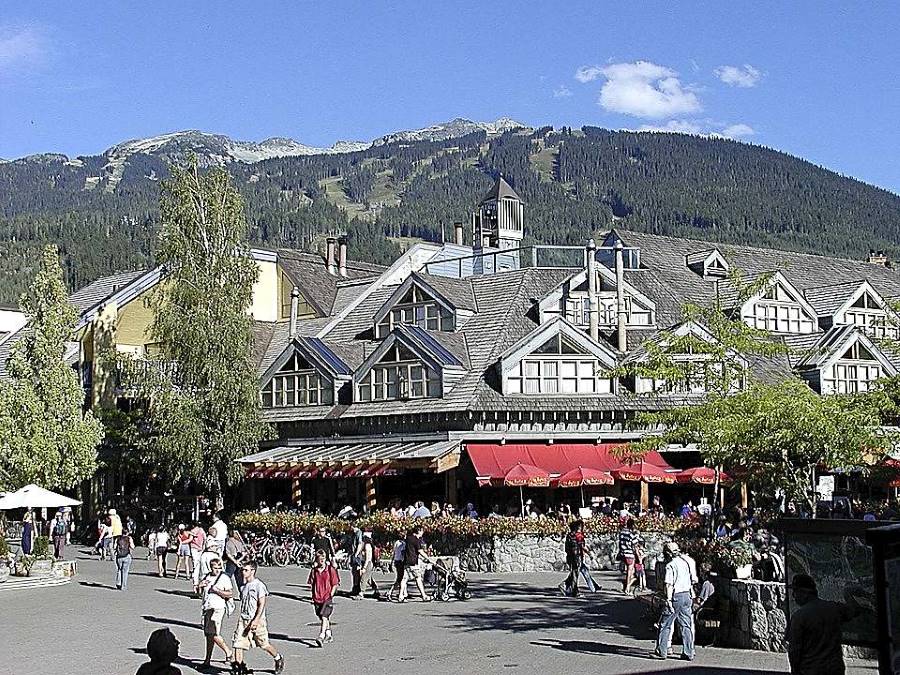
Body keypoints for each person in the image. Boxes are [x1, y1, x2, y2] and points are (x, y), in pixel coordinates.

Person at [787, 573, 860, 675]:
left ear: (805, 593)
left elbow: (795, 650)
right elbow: (854, 610)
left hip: (810, 670)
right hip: (834, 669)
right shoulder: (834, 609)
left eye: (795, 591)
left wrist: (794, 671)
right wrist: (848, 593)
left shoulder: (799, 617)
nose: (793, 595)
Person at [232, 561, 284, 675]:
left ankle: (278, 658)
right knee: (238, 644)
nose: (243, 572)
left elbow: (262, 604)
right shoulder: (244, 586)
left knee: (264, 644)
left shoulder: (258, 585)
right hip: (244, 619)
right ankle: (239, 669)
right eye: (243, 570)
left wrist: (256, 620)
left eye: (246, 570)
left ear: (253, 571)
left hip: (257, 620)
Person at [654, 541, 698, 661]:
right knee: (686, 625)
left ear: (667, 553)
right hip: (687, 595)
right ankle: (689, 652)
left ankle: (661, 650)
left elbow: (669, 584)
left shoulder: (670, 565)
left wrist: (668, 600)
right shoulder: (685, 562)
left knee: (665, 624)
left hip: (676, 596)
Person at [198, 557, 234, 669]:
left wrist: (217, 590)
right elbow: (200, 593)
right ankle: (207, 660)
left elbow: (230, 593)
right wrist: (200, 586)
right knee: (209, 635)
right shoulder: (207, 576)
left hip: (218, 608)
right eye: (215, 568)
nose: (217, 570)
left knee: (213, 634)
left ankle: (229, 652)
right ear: (211, 567)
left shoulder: (224, 578)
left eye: (219, 567)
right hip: (207, 608)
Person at [308, 549, 340, 646]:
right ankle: (328, 634)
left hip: (327, 597)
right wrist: (312, 596)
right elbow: (311, 583)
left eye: (323, 559)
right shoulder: (314, 571)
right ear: (316, 560)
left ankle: (321, 636)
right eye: (319, 559)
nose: (321, 561)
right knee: (322, 617)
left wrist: (331, 594)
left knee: (324, 616)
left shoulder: (330, 570)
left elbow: (335, 583)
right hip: (317, 597)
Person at [398, 525, 431, 602]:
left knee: (404, 579)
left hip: (406, 561)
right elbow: (420, 551)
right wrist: (428, 558)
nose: (422, 533)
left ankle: (400, 595)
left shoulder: (408, 539)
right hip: (413, 562)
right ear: (418, 531)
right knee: (418, 578)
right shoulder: (416, 540)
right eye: (422, 531)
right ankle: (424, 595)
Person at [618, 518, 638, 595]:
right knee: (630, 572)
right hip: (630, 554)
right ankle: (627, 588)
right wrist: (638, 555)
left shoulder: (622, 533)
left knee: (630, 571)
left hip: (623, 553)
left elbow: (620, 543)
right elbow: (635, 545)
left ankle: (627, 585)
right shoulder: (631, 534)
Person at [360, 532, 380, 599]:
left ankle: (361, 593)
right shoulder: (368, 545)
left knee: (363, 578)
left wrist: (364, 568)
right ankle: (376, 590)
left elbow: (368, 558)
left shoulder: (367, 546)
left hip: (368, 564)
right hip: (369, 563)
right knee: (369, 579)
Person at [346, 524, 364, 598]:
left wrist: (356, 553)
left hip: (358, 556)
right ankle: (355, 587)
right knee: (354, 572)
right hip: (354, 555)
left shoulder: (358, 533)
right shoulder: (353, 534)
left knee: (358, 572)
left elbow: (359, 543)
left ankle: (358, 588)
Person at [189, 522, 207, 590]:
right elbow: (205, 539)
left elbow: (191, 537)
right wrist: (203, 547)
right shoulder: (202, 530)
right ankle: (200, 582)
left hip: (194, 548)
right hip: (200, 549)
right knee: (200, 565)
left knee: (195, 565)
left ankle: (195, 583)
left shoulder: (193, 530)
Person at [389, 535, 406, 601]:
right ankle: (390, 592)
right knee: (401, 578)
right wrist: (404, 559)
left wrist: (392, 561)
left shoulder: (396, 542)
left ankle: (404, 593)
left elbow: (394, 552)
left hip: (396, 560)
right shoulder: (403, 544)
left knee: (401, 578)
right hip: (401, 561)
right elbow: (402, 552)